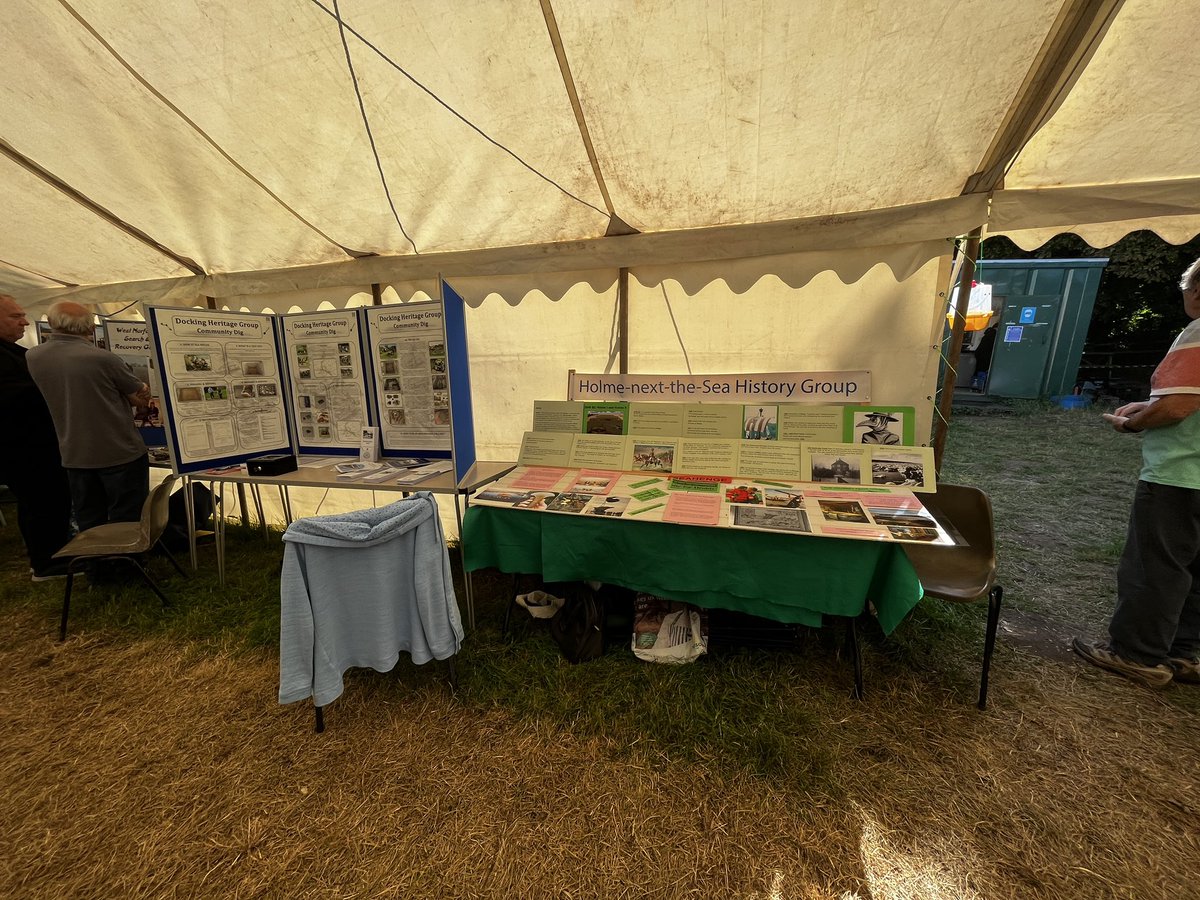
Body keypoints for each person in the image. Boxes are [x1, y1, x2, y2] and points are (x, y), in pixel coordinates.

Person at [1073, 258, 1200, 688]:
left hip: (1182, 473)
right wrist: (1145, 408)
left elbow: (1178, 406)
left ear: (1197, 290)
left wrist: (1134, 422)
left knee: (1156, 567)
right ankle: (1184, 652)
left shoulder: (1199, 331)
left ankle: (1138, 655)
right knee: (1193, 567)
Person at [26, 301, 152, 534]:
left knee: (89, 521)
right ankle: (125, 565)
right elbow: (141, 397)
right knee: (127, 519)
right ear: (91, 329)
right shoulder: (103, 358)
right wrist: (135, 391)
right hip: (119, 451)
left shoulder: (33, 357)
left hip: (74, 454)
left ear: (52, 323)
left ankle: (95, 566)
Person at [0, 294, 73, 580]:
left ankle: (45, 555)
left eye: (22, 314)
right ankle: (48, 562)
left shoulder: (12, 352)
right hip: (26, 448)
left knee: (39, 502)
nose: (24, 321)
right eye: (15, 316)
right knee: (44, 501)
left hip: (32, 445)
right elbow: (19, 398)